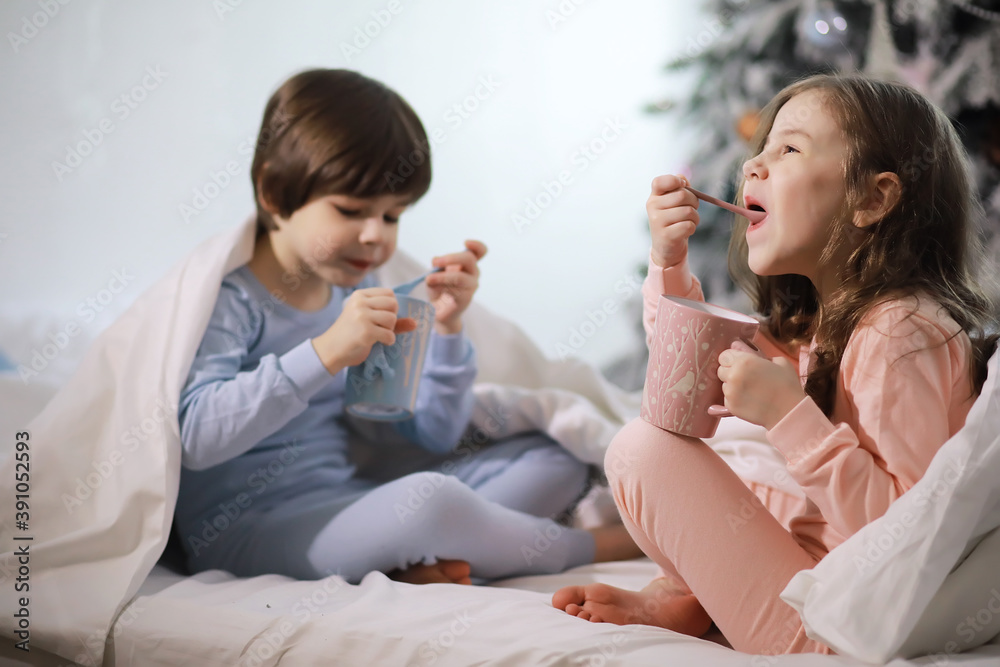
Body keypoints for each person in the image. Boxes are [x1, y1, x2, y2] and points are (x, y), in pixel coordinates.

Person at [553, 73, 998, 654]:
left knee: (644, 451)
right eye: (758, 151)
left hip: (836, 631)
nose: (753, 167)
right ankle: (696, 596)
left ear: (873, 198)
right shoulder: (838, 319)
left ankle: (703, 598)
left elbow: (907, 537)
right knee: (719, 455)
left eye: (788, 148)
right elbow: (680, 381)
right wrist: (667, 263)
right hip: (816, 584)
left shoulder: (901, 330)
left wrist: (790, 418)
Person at [173, 68, 639, 585]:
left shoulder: (354, 287)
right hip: (244, 533)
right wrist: (325, 351)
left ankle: (419, 563)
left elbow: (429, 433)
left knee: (554, 459)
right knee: (433, 504)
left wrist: (447, 331)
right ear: (274, 195)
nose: (375, 236)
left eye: (393, 216)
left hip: (342, 502)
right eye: (350, 210)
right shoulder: (229, 301)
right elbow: (195, 436)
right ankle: (585, 547)